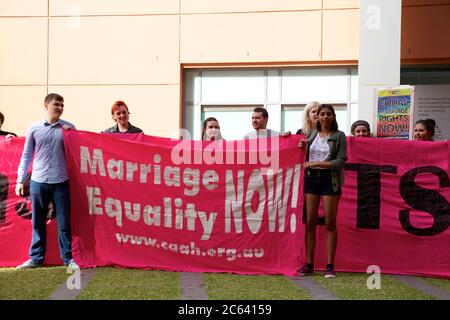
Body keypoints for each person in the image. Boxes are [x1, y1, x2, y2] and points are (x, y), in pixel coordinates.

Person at [15, 93, 78, 270]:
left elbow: (78, 153)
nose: (60, 108)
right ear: (46, 106)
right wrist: (20, 180)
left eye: (62, 105)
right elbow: (26, 155)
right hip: (38, 181)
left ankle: (68, 259)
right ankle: (35, 258)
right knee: (37, 221)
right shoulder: (34, 128)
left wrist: (71, 136)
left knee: (64, 222)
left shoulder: (69, 128)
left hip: (61, 181)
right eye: (56, 104)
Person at [299, 104, 347, 278]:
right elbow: (299, 153)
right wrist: (297, 145)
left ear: (333, 117)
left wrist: (315, 163)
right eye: (322, 114)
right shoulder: (310, 134)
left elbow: (340, 162)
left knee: (329, 222)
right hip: (311, 179)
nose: (325, 117)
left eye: (328, 114)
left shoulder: (339, 136)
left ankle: (329, 266)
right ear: (317, 117)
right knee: (310, 221)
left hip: (330, 180)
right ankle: (309, 264)